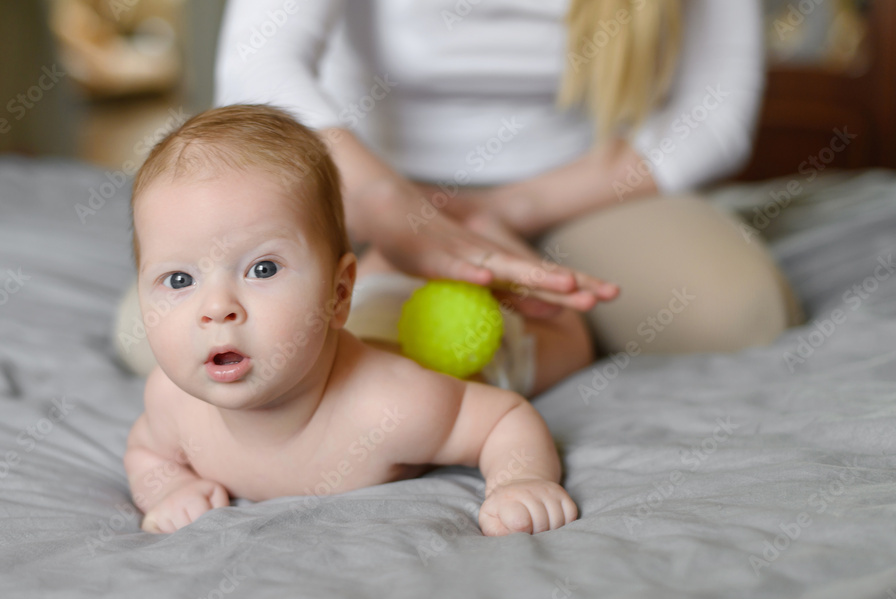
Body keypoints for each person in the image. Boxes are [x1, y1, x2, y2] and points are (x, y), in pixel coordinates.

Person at [206, 0, 804, 362]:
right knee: (183, 334)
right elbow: (257, 63)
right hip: (359, 177)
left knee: (740, 314)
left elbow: (716, 115)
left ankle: (542, 329)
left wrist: (507, 209)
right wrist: (388, 205)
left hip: (581, 184)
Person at [125, 104, 578, 536]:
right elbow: (146, 451)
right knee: (386, 286)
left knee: (570, 339)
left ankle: (488, 229)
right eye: (179, 278)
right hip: (369, 306)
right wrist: (169, 487)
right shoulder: (171, 403)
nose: (216, 308)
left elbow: (504, 420)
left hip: (434, 342)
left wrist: (520, 480)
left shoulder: (391, 407)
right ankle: (427, 235)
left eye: (262, 269)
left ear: (338, 293)